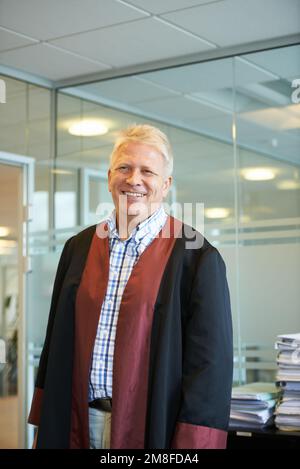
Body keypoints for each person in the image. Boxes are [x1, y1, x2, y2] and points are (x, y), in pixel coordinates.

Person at [28, 124, 233, 449]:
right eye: (124, 167)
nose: (133, 179)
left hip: (156, 427)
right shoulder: (78, 248)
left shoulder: (196, 256)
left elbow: (210, 366)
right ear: (110, 176)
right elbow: (55, 341)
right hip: (76, 420)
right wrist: (44, 421)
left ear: (165, 184)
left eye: (147, 171)